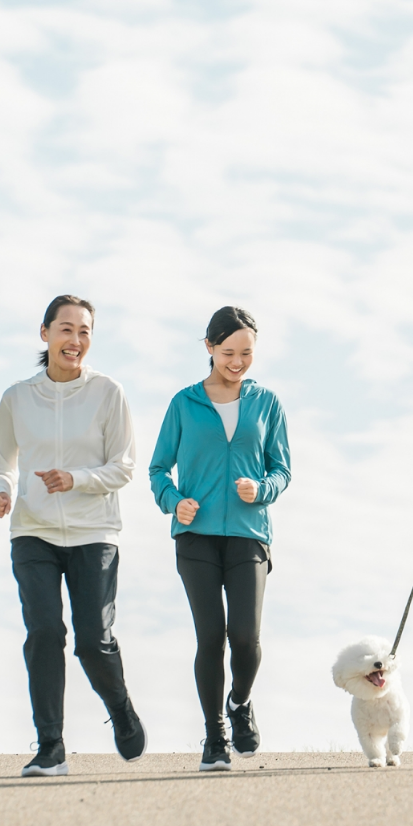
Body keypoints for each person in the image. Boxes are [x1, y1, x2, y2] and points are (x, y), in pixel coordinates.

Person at [0, 294, 146, 778]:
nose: (75, 340)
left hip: (93, 532)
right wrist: (1, 490)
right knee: (44, 633)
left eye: (84, 332)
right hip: (32, 531)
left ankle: (120, 709)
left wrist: (74, 479)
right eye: (66, 329)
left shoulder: (108, 393)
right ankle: (51, 746)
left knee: (93, 642)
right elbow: (1, 460)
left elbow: (124, 467)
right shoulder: (17, 397)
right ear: (45, 334)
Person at [149, 306, 291, 772]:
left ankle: (240, 701)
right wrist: (174, 500)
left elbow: (282, 468)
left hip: (249, 535)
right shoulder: (184, 403)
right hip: (196, 537)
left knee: (246, 638)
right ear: (209, 347)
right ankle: (214, 736)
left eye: (246, 352)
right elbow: (157, 469)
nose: (237, 361)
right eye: (228, 352)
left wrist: (262, 489)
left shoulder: (266, 403)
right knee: (211, 636)